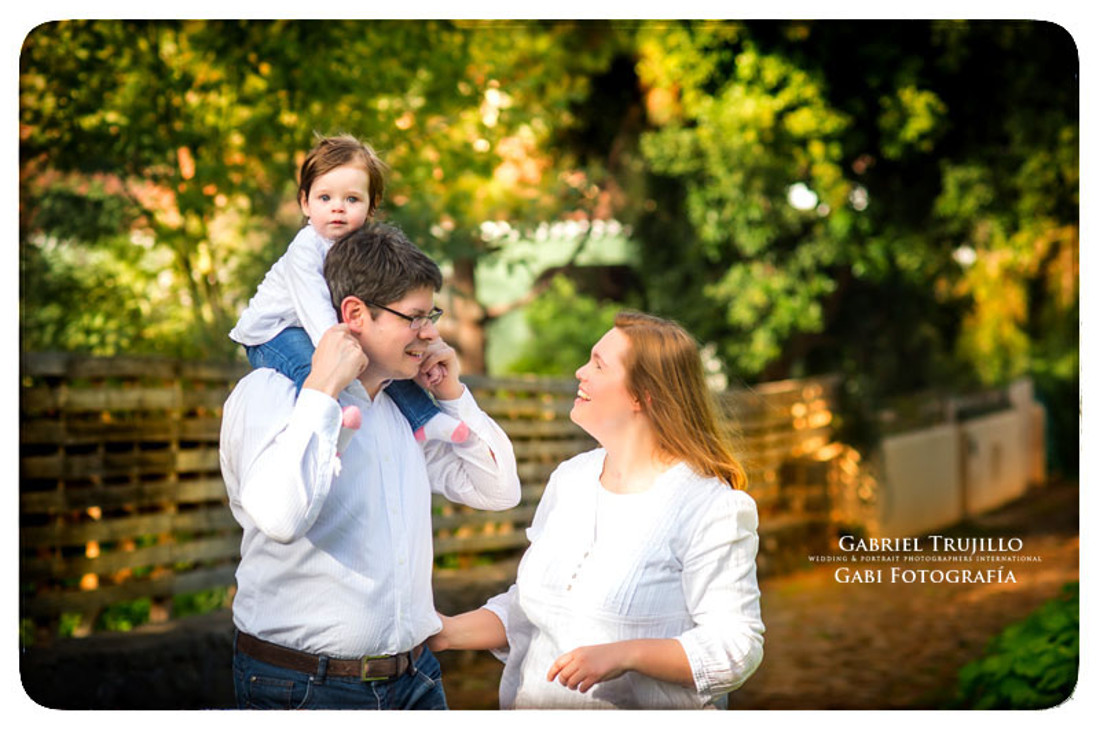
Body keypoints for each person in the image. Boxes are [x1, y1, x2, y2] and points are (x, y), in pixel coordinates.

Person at [220, 222, 521, 710]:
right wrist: (322, 392)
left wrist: (452, 395)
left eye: (433, 315)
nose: (431, 333)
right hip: (305, 688)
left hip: (417, 679)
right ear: (355, 314)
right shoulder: (269, 393)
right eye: (416, 317)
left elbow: (498, 490)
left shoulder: (402, 406)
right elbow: (278, 518)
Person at [428, 311, 764, 709]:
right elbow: (531, 611)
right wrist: (445, 632)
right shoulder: (571, 479)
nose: (579, 371)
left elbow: (736, 646)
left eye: (599, 365)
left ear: (644, 396)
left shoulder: (712, 508)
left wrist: (625, 654)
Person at [229, 133, 468, 445]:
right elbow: (314, 308)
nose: (337, 209)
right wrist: (341, 349)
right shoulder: (306, 248)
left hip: (322, 326)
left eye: (352, 199)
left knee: (384, 354)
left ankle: (425, 418)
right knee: (311, 366)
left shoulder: (361, 250)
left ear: (371, 207)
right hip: (275, 331)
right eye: (325, 198)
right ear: (305, 202)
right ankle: (328, 420)